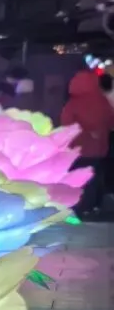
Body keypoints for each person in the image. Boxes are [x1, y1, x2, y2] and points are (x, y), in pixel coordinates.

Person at [60, 70, 114, 216]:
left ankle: (79, 206)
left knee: (77, 176)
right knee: (95, 176)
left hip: (78, 148)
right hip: (99, 149)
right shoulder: (103, 102)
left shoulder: (73, 104)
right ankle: (92, 205)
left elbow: (66, 124)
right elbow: (111, 122)